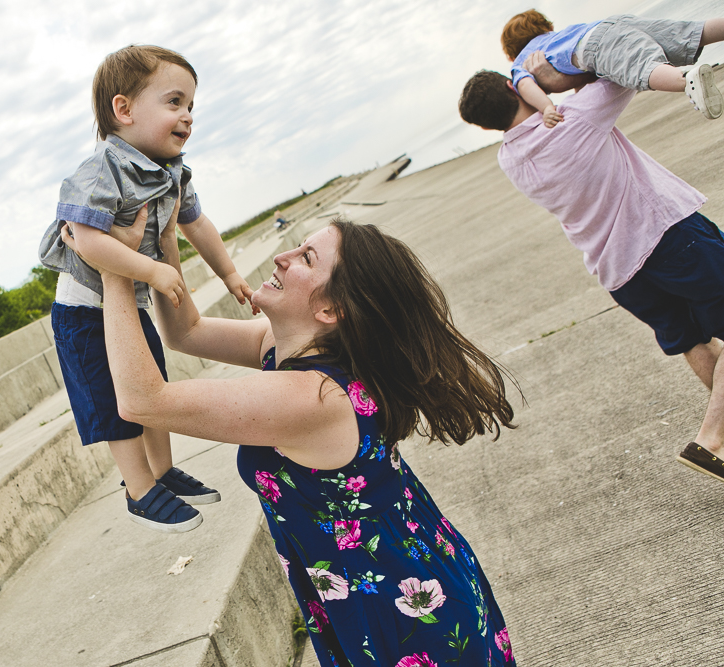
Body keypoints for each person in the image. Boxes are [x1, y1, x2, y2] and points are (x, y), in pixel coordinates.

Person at [68, 201, 519, 665]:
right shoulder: (289, 347)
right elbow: (187, 333)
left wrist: (113, 270)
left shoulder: (310, 398)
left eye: (306, 257)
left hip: (400, 607)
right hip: (385, 579)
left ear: (330, 309)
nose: (284, 256)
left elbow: (142, 402)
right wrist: (161, 243)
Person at [458, 53, 724, 485]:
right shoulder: (574, 118)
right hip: (666, 238)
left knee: (694, 340)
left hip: (619, 272)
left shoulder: (511, 159)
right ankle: (712, 439)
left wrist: (534, 89)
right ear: (514, 88)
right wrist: (549, 75)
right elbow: (622, 68)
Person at [38, 45, 254, 533]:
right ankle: (139, 489)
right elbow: (87, 239)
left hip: (127, 305)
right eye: (174, 102)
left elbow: (198, 225)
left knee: (152, 386)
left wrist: (230, 275)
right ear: (124, 109)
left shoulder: (175, 172)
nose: (188, 117)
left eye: (192, 106)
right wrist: (151, 270)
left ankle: (162, 472)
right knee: (117, 402)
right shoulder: (102, 170)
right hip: (85, 311)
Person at [501, 10, 724, 126]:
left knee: (643, 67)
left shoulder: (523, 61)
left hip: (594, 45)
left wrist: (547, 107)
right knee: (687, 33)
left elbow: (525, 83)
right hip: (610, 23)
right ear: (547, 27)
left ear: (511, 54)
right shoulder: (556, 36)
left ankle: (685, 79)